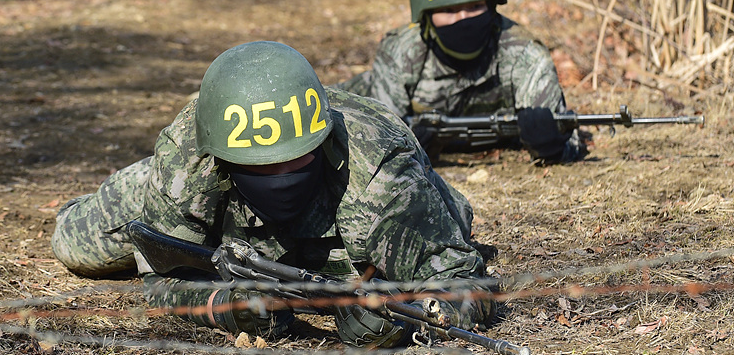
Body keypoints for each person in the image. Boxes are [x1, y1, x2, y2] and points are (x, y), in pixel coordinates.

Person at [51, 40, 497, 348]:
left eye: (295, 158)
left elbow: (464, 281)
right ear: (224, 159)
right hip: (197, 198)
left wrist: (400, 318)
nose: (280, 173)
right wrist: (229, 307)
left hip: (388, 204)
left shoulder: (379, 172)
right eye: (260, 166)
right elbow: (162, 281)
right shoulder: (190, 157)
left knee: (449, 219)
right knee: (75, 246)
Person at [335, 0, 584, 164]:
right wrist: (408, 149)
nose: (463, 19)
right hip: (362, 94)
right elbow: (376, 146)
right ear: (427, 17)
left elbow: (569, 139)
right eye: (449, 10)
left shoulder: (524, 53)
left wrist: (552, 146)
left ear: (492, 6)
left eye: (475, 7)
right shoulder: (401, 53)